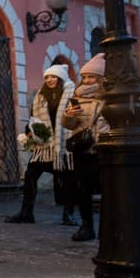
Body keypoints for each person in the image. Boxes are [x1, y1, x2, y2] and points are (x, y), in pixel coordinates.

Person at [6, 65, 78, 225]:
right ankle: (26, 213)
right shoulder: (40, 96)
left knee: (68, 180)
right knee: (31, 174)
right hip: (44, 146)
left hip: (64, 146)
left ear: (60, 78)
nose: (50, 80)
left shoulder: (73, 95)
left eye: (53, 77)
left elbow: (76, 120)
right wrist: (29, 133)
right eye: (47, 77)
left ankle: (69, 214)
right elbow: (34, 119)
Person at [60, 54, 109, 242]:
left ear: (101, 78)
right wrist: (69, 115)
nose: (87, 80)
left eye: (92, 77)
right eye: (85, 77)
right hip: (82, 150)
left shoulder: (110, 97)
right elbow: (69, 125)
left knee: (108, 190)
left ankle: (108, 226)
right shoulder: (77, 97)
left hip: (102, 149)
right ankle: (87, 225)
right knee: (83, 191)